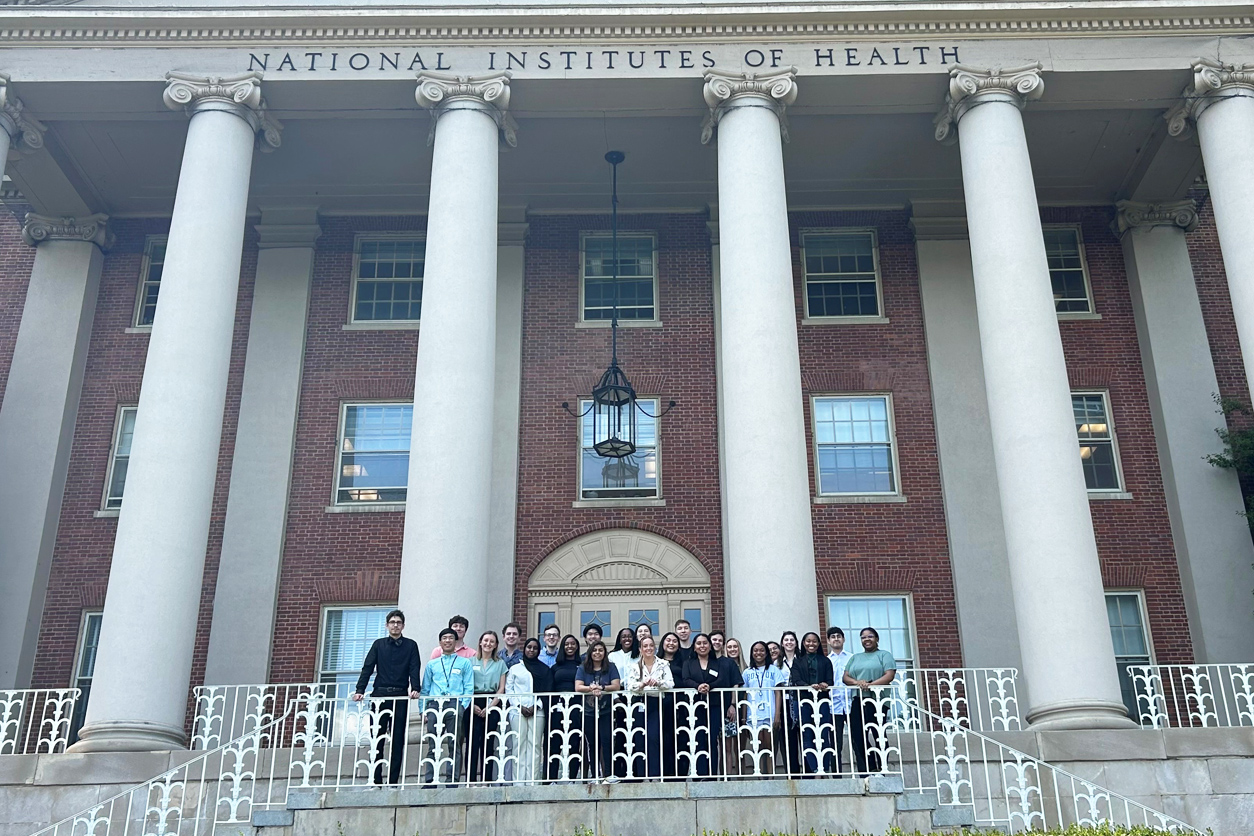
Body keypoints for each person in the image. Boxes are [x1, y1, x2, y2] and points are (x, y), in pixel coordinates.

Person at [352, 609, 421, 785]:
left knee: (398, 738)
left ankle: (393, 780)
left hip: (400, 695)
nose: (395, 625)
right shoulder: (378, 644)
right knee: (377, 737)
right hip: (380, 695)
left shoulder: (411, 645)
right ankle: (376, 780)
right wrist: (360, 689)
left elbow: (414, 667)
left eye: (398, 622)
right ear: (387, 625)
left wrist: (415, 687)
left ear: (403, 626)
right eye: (392, 622)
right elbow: (367, 668)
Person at [419, 627, 475, 785]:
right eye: (445, 638)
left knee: (455, 743)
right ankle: (430, 779)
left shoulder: (464, 663)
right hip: (435, 705)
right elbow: (426, 688)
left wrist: (462, 706)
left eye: (451, 638)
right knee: (433, 743)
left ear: (456, 641)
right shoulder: (432, 664)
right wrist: (423, 709)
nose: (448, 641)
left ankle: (452, 779)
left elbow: (468, 687)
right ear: (440, 642)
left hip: (455, 703)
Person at [843, 627, 897, 776]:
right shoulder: (855, 657)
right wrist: (858, 683)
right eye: (863, 637)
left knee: (878, 733)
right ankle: (867, 769)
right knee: (857, 735)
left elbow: (889, 675)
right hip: (858, 699)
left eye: (870, 636)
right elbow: (845, 677)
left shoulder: (884, 655)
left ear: (877, 639)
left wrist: (871, 685)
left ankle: (882, 768)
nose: (867, 639)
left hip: (877, 700)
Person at [623, 634, 673, 778]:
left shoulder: (663, 664)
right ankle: (640, 774)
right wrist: (642, 684)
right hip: (639, 703)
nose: (649, 648)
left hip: (655, 703)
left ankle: (654, 774)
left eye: (651, 645)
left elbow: (670, 684)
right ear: (640, 649)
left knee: (653, 736)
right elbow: (630, 686)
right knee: (639, 738)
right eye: (645, 646)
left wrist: (658, 683)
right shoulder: (634, 666)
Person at [504, 638, 551, 784]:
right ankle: (518, 782)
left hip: (538, 711)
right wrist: (519, 706)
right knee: (519, 745)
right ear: (524, 649)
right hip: (518, 712)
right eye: (529, 647)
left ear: (538, 651)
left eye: (535, 648)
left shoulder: (544, 669)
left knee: (535, 745)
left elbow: (547, 690)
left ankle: (533, 781)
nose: (531, 650)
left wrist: (535, 706)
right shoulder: (515, 668)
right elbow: (509, 690)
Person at [791, 631, 836, 776]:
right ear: (804, 643)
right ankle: (814, 768)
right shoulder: (798, 661)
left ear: (818, 643)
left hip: (822, 700)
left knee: (823, 733)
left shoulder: (825, 661)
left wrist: (824, 684)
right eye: (808, 641)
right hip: (804, 701)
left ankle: (825, 767)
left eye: (814, 641)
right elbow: (796, 680)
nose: (811, 644)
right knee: (807, 733)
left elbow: (830, 681)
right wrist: (809, 686)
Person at [576, 639, 621, 783]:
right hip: (589, 712)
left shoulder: (611, 667)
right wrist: (591, 688)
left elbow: (616, 686)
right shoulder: (583, 668)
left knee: (607, 741)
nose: (597, 653)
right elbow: (578, 687)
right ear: (590, 652)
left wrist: (601, 688)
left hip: (606, 711)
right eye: (595, 650)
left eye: (600, 650)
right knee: (592, 743)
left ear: (604, 653)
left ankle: (608, 774)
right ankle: (595, 774)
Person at [465, 631, 507, 783]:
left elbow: (502, 688)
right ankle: (470, 779)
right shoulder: (470, 662)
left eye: (492, 641)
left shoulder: (500, 663)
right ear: (480, 642)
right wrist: (472, 704)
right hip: (473, 701)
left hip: (492, 701)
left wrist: (490, 706)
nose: (488, 643)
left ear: (496, 645)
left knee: (488, 742)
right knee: (472, 742)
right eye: (486, 640)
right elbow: (465, 686)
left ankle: (486, 779)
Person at [741, 641, 785, 776]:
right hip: (753, 714)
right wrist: (743, 716)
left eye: (761, 650)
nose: (758, 653)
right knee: (758, 748)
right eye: (755, 650)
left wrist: (777, 714)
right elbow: (744, 694)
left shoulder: (774, 670)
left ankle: (771, 776)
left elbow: (778, 693)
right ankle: (760, 776)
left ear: (766, 653)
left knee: (770, 747)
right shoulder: (747, 672)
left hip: (769, 713)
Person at [547, 634, 584, 780]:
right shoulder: (556, 667)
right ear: (563, 647)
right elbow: (551, 687)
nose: (570, 646)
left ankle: (573, 778)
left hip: (576, 707)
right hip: (558, 707)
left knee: (574, 741)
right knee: (556, 741)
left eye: (573, 644)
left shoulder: (582, 666)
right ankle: (552, 778)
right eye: (567, 644)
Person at [656, 631, 684, 777]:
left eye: (674, 641)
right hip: (662, 705)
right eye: (668, 640)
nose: (671, 643)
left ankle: (680, 774)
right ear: (663, 643)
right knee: (664, 739)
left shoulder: (684, 661)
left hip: (681, 705)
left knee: (681, 738)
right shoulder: (655, 661)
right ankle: (665, 773)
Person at [827, 626, 853, 774]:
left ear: (843, 639)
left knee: (858, 739)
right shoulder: (826, 660)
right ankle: (837, 775)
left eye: (838, 636)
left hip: (851, 703)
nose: (836, 639)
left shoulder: (852, 657)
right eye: (833, 637)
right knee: (836, 743)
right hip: (834, 705)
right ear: (829, 641)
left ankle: (865, 772)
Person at [776, 630, 801, 774]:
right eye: (786, 640)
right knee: (789, 740)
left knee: (803, 737)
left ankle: (809, 773)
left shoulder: (801, 659)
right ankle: (794, 773)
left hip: (799, 701)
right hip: (785, 702)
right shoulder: (777, 663)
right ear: (782, 643)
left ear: (796, 643)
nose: (789, 642)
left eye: (792, 640)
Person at [721, 638, 746, 775]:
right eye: (729, 647)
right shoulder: (723, 665)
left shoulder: (746, 668)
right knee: (727, 747)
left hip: (743, 709)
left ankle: (741, 777)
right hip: (730, 709)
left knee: (740, 748)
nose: (732, 649)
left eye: (735, 646)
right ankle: (728, 777)